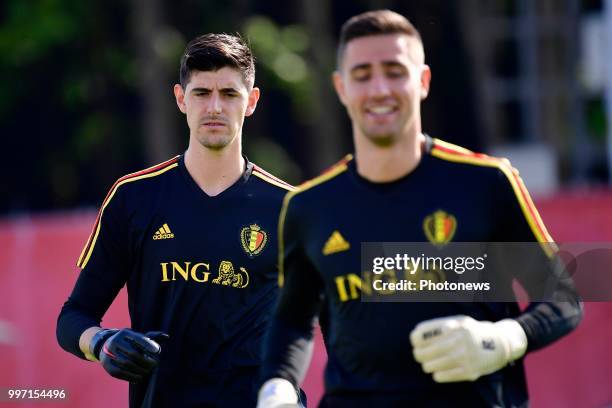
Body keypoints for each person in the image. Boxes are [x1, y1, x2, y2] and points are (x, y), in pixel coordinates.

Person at [257, 10, 582, 407]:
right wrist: (277, 387)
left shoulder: (486, 182)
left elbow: (563, 298)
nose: (379, 89)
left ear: (423, 81)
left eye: (394, 71)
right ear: (341, 88)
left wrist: (503, 340)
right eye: (362, 75)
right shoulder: (309, 205)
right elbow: (292, 320)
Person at [57, 33, 298, 407]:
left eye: (230, 94)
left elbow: (337, 321)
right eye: (201, 93)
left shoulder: (288, 206)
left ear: (251, 102)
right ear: (181, 98)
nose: (215, 107)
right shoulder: (134, 197)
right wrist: (103, 343)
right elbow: (73, 318)